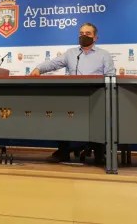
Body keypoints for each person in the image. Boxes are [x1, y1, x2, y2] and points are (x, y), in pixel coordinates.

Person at [30, 23, 115, 163]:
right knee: (62, 117)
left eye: (88, 34)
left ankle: (100, 154)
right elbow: (53, 64)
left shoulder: (104, 55)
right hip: (74, 96)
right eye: (81, 33)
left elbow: (110, 76)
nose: (84, 36)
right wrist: (38, 68)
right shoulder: (71, 53)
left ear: (95, 38)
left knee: (100, 118)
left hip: (97, 97)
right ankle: (63, 152)